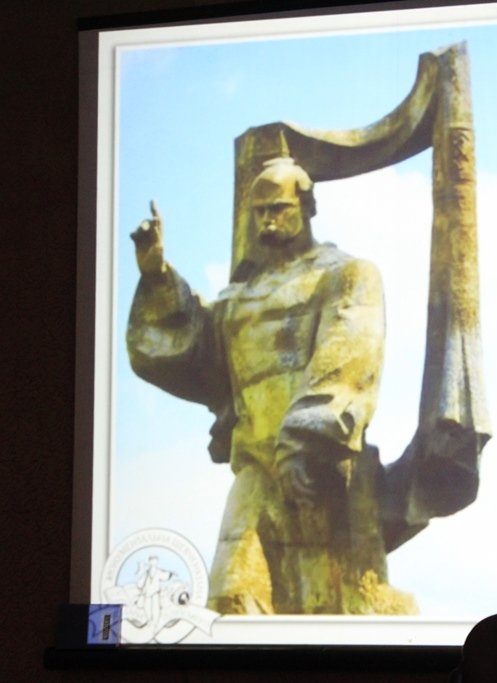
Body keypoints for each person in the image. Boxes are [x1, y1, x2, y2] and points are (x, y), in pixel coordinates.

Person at [127, 156, 415, 615]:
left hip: (325, 468)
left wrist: (302, 441)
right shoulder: (241, 297)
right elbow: (195, 350)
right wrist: (157, 276)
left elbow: (347, 359)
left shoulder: (347, 275)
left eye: (279, 208)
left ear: (307, 207)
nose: (268, 219)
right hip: (257, 470)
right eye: (260, 211)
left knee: (344, 608)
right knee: (232, 597)